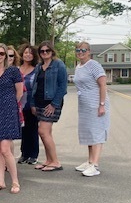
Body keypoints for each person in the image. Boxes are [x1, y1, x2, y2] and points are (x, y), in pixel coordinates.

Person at [0, 43, 23, 194]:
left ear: (6, 56)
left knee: (5, 148)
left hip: (8, 109)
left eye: (2, 53)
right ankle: (0, 181)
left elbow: (19, 92)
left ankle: (15, 181)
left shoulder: (13, 71)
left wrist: (12, 106)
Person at [73, 42, 110, 177]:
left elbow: (103, 84)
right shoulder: (79, 66)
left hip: (96, 103)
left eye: (83, 50)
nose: (80, 52)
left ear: (89, 52)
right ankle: (89, 161)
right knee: (88, 132)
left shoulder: (94, 65)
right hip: (84, 105)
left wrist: (101, 104)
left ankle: (95, 164)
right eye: (78, 50)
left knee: (96, 133)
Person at [31, 40, 68, 172]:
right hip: (39, 102)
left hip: (51, 103)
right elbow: (35, 86)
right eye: (42, 51)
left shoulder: (59, 65)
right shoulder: (39, 66)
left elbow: (63, 87)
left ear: (52, 51)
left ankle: (56, 162)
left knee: (43, 131)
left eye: (47, 50)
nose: (45, 53)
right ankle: (48, 160)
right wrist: (33, 104)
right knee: (46, 133)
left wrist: (54, 104)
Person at [18, 44, 40, 165]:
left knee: (32, 129)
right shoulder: (17, 69)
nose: (28, 55)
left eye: (30, 53)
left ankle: (33, 154)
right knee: (23, 129)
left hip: (31, 104)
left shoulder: (37, 69)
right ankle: (24, 154)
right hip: (19, 104)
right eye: (26, 52)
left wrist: (35, 104)